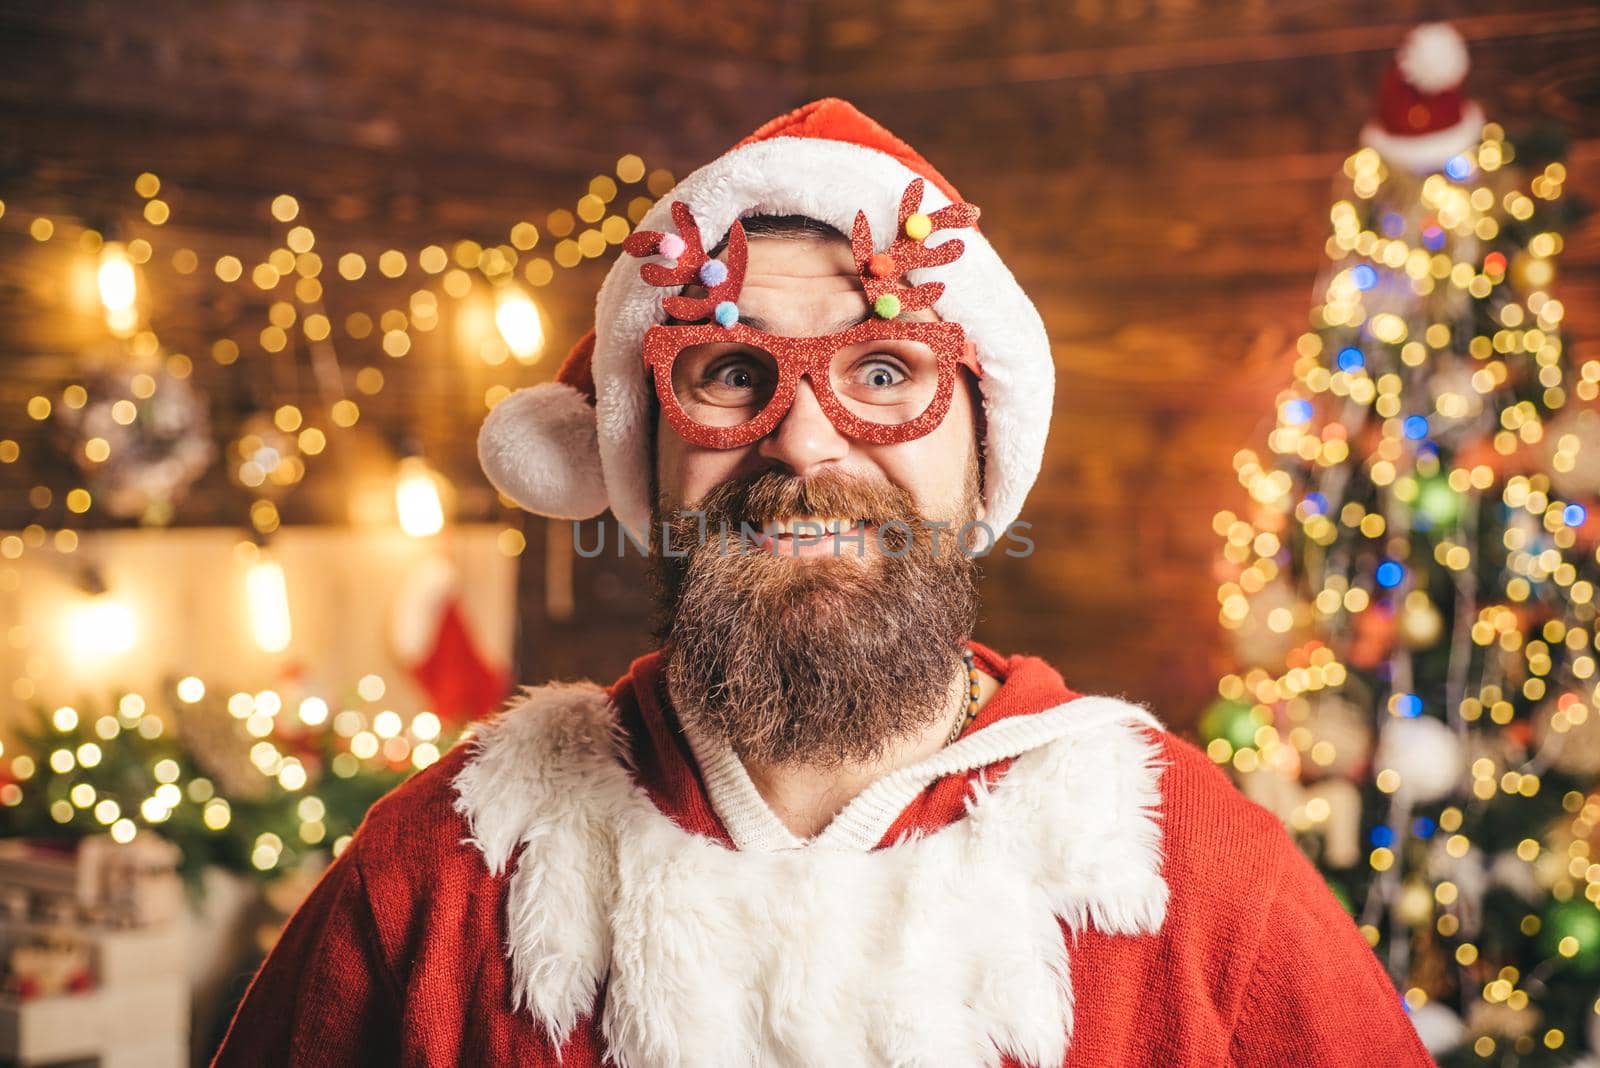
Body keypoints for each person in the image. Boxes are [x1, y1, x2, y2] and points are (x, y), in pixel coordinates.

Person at [212, 97, 1432, 1067]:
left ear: (982, 453)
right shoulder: (438, 875)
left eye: (888, 372)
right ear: (647, 448)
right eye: (731, 375)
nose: (803, 442)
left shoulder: (1197, 877)